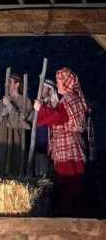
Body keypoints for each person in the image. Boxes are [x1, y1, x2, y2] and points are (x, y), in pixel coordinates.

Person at [34, 68, 91, 216]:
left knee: (70, 185)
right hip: (64, 148)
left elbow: (59, 117)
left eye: (59, 81)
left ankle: (72, 219)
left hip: (69, 150)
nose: (58, 84)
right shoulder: (69, 99)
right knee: (66, 186)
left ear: (66, 82)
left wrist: (41, 109)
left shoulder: (70, 99)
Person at [0, 73, 31, 178]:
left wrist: (10, 107)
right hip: (3, 140)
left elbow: (23, 122)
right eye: (6, 82)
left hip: (17, 139)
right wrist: (0, 115)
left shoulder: (25, 101)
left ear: (17, 85)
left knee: (16, 164)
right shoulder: (0, 103)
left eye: (9, 82)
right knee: (1, 166)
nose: (6, 85)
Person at [34, 79, 59, 178]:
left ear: (50, 90)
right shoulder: (39, 103)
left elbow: (51, 118)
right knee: (38, 161)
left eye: (44, 87)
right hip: (38, 138)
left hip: (48, 138)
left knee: (47, 164)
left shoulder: (53, 105)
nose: (42, 89)